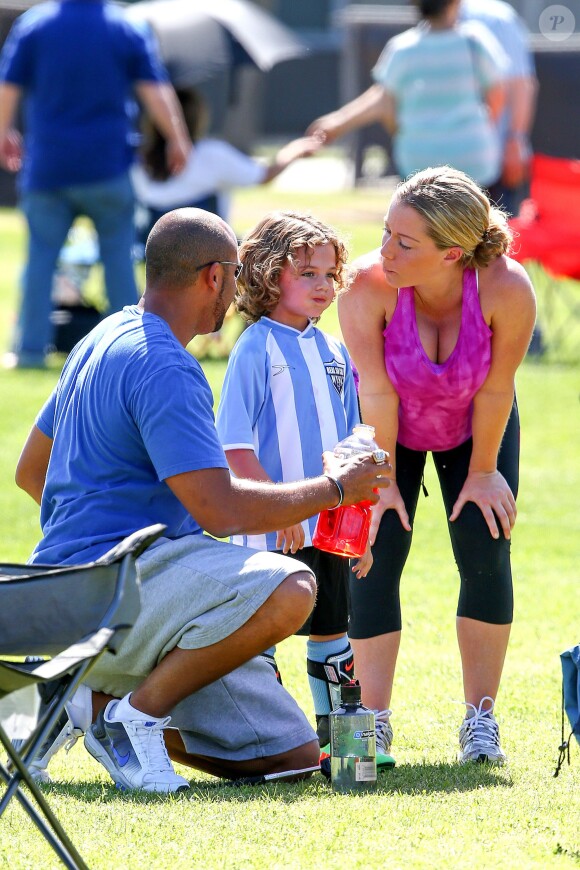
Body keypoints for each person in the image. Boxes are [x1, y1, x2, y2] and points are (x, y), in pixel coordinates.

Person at [14, 207, 390, 793]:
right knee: (294, 587)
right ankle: (132, 715)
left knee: (291, 757)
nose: (238, 291)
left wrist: (93, 529)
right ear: (214, 276)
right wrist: (338, 490)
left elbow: (29, 470)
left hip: (77, 590)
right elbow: (222, 510)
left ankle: (87, 701)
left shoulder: (100, 336)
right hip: (120, 587)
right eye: (236, 275)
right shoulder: (168, 364)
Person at [338, 166, 536, 765]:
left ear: (453, 253)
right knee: (375, 548)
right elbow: (375, 391)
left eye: (405, 242)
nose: (385, 251)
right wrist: (383, 482)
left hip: (474, 423)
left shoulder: (508, 288)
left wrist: (482, 471)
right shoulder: (366, 289)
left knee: (483, 545)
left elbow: (497, 390)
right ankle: (368, 726)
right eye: (385, 233)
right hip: (385, 424)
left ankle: (481, 722)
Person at [215, 211, 390, 763]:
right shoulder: (253, 349)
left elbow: (350, 452)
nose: (323, 285)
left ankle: (346, 752)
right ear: (269, 275)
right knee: (260, 639)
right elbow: (234, 447)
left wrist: (361, 522)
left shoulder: (334, 351)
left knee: (333, 633)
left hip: (330, 527)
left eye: (329, 274)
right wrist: (277, 508)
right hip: (271, 529)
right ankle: (269, 745)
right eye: (307, 273)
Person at [0, 0, 191, 370]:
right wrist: (177, 137)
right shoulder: (125, 26)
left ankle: (29, 352)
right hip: (107, 167)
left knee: (41, 259)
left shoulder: (35, 25)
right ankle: (128, 350)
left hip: (48, 167)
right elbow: (154, 88)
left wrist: (4, 130)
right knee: (119, 258)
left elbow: (8, 86)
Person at [306, 0, 507, 191]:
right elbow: (497, 95)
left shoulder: (403, 47)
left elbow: (383, 100)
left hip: (418, 161)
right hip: (473, 160)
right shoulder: (474, 41)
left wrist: (338, 122)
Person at [131, 87, 322, 246]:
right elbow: (264, 176)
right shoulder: (212, 154)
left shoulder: (137, 155)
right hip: (207, 245)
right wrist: (293, 150)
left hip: (151, 245)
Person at [459, 0, 538, 215]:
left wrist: (514, 141)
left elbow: (520, 82)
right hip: (452, 156)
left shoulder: (494, 17)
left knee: (497, 239)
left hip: (494, 157)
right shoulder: (432, 15)